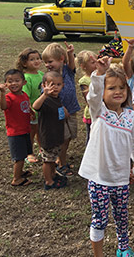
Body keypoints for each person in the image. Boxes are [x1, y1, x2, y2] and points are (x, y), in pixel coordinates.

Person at [78, 57, 134, 257]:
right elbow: (93, 96)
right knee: (100, 219)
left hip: (121, 178)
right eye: (112, 88)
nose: (118, 92)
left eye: (122, 88)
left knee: (122, 216)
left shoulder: (131, 116)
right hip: (99, 178)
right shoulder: (99, 112)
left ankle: (123, 248)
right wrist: (99, 75)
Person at [42, 42, 80, 177]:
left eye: (50, 61)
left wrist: (70, 53)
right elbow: (47, 97)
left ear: (61, 59)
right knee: (62, 139)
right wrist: (61, 108)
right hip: (58, 114)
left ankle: (60, 158)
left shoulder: (67, 72)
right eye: (45, 62)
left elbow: (71, 65)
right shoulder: (48, 78)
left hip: (72, 110)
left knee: (69, 137)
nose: (47, 65)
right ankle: (61, 164)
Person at [33, 71, 67, 190]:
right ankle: (48, 181)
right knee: (48, 160)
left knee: (53, 158)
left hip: (56, 135)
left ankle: (53, 174)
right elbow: (35, 106)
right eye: (52, 84)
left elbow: (60, 114)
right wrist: (44, 95)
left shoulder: (57, 99)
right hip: (47, 136)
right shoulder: (45, 99)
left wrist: (64, 112)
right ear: (44, 85)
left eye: (58, 84)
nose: (55, 87)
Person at [0, 69, 33, 187]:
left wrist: (31, 112)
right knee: (19, 158)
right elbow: (3, 106)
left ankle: (21, 172)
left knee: (23, 154)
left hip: (25, 130)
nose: (13, 83)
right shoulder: (8, 97)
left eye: (17, 81)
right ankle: (16, 179)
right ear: (6, 84)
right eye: (10, 81)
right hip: (15, 132)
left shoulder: (24, 95)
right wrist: (2, 94)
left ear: (23, 82)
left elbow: (26, 106)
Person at [17, 47, 44, 163]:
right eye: (32, 59)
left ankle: (41, 149)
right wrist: (29, 110)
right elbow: (24, 97)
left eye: (38, 58)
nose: (36, 61)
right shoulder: (26, 78)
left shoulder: (42, 74)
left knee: (41, 131)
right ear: (24, 63)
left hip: (42, 110)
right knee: (31, 132)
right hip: (32, 112)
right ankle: (29, 152)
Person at [76, 50, 97, 144]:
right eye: (93, 62)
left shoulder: (100, 76)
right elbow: (89, 100)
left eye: (96, 60)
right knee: (91, 137)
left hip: (102, 111)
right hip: (92, 113)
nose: (96, 63)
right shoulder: (84, 81)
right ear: (83, 66)